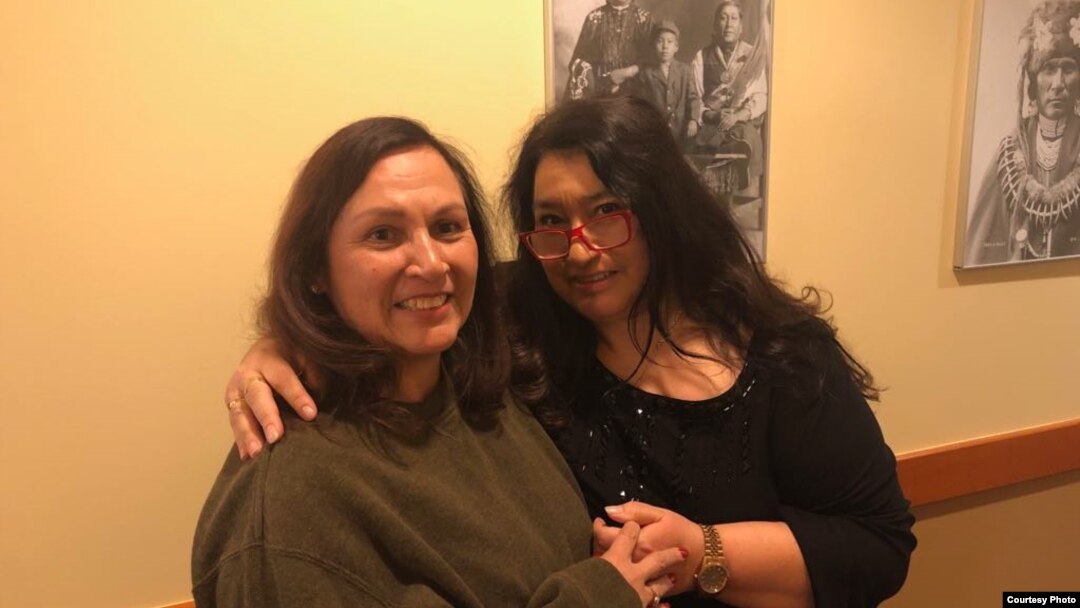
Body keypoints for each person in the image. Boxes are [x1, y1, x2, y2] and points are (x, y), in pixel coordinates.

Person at [224, 98, 916, 607]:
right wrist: (285, 342)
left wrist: (702, 550)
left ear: (662, 209)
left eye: (607, 211)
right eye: (551, 222)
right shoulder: (519, 325)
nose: (580, 248)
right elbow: (412, 297)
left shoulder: (779, 355)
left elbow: (877, 547)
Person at [192, 116, 684, 608]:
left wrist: (592, 559)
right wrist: (600, 594)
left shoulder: (483, 388)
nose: (431, 264)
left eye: (447, 227)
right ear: (314, 269)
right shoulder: (292, 505)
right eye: (383, 234)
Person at [965, 0, 1080, 265]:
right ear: (1032, 80)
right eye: (1049, 69)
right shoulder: (1009, 156)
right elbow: (981, 256)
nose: (1058, 84)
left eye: (1069, 68)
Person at [690, 0, 769, 197]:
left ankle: (733, 198)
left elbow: (760, 96)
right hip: (711, 125)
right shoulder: (701, 56)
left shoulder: (752, 56)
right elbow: (695, 98)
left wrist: (739, 115)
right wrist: (714, 115)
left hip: (741, 125)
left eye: (734, 18)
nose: (728, 23)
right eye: (723, 18)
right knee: (692, 147)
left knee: (744, 142)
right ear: (716, 25)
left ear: (741, 27)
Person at [564, 0, 653, 100]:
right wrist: (603, 83)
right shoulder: (594, 18)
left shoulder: (644, 18)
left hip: (635, 89)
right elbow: (580, 60)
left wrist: (628, 72)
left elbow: (652, 60)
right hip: (601, 89)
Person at [633, 19, 702, 144]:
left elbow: (693, 98)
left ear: (676, 47)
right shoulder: (646, 73)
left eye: (670, 42)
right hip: (656, 131)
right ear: (653, 45)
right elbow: (642, 104)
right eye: (660, 41)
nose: (665, 46)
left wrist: (693, 120)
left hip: (681, 131)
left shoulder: (684, 71)